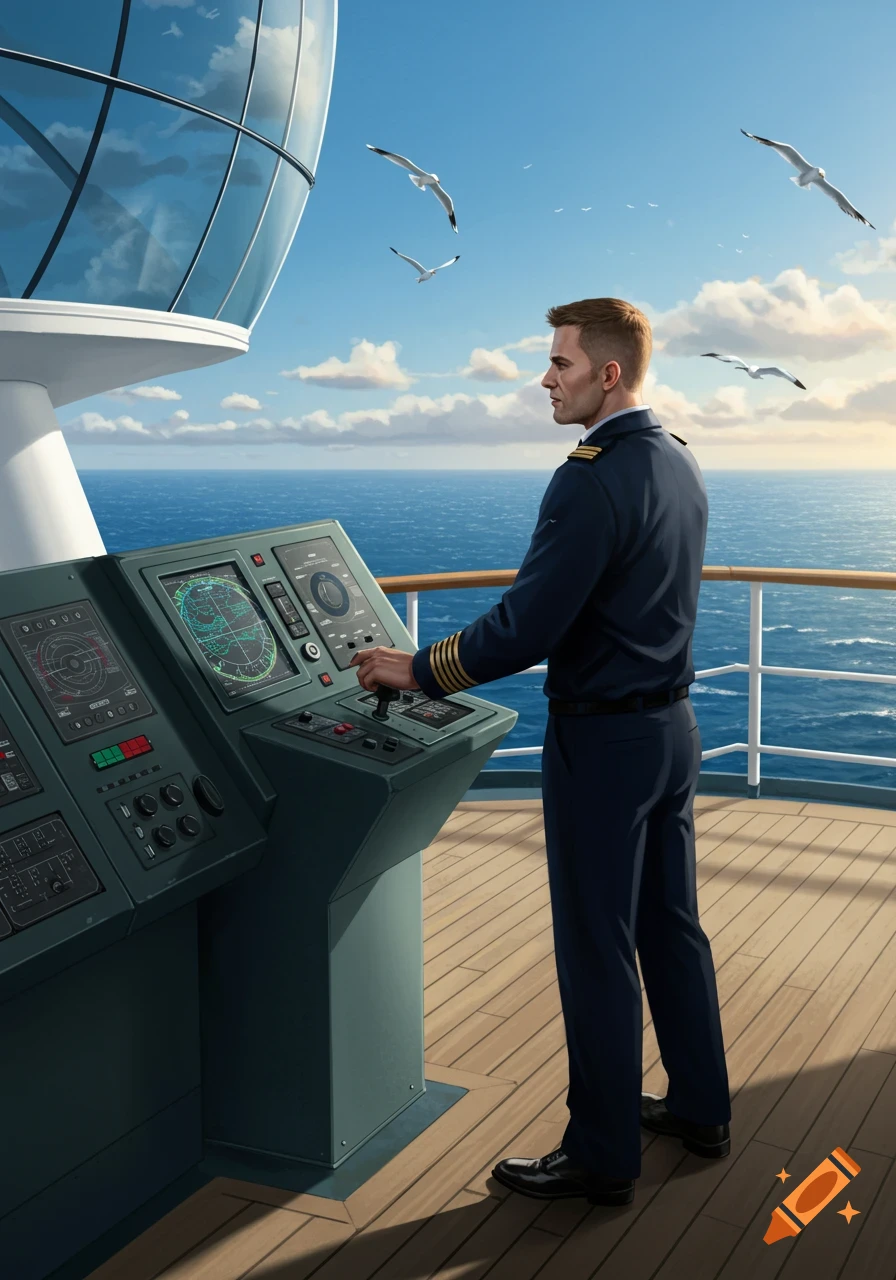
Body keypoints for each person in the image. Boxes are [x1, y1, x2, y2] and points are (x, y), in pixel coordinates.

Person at [349, 297, 731, 1207]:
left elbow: (529, 624)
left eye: (560, 363)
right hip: (673, 731)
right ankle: (703, 1109)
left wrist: (419, 670)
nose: (545, 379)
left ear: (608, 373)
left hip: (602, 742)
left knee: (596, 946)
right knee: (670, 924)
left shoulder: (590, 476)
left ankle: (603, 1154)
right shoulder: (678, 459)